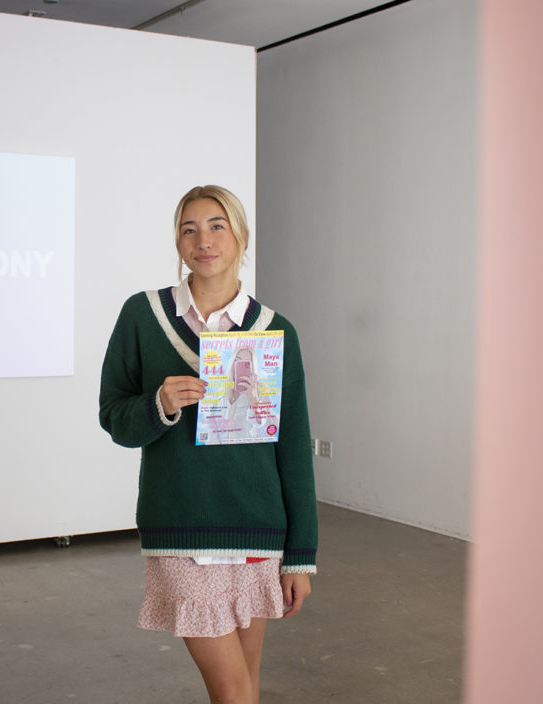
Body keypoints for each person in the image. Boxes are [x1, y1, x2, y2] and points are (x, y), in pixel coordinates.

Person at [99, 185, 318, 704]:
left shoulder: (275, 331)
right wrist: (160, 404)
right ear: (177, 241)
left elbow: (292, 451)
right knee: (232, 691)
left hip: (257, 533)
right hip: (181, 529)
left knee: (246, 683)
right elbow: (114, 416)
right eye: (188, 227)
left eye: (217, 225)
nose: (203, 239)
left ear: (241, 235)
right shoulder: (143, 316)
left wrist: (300, 558)